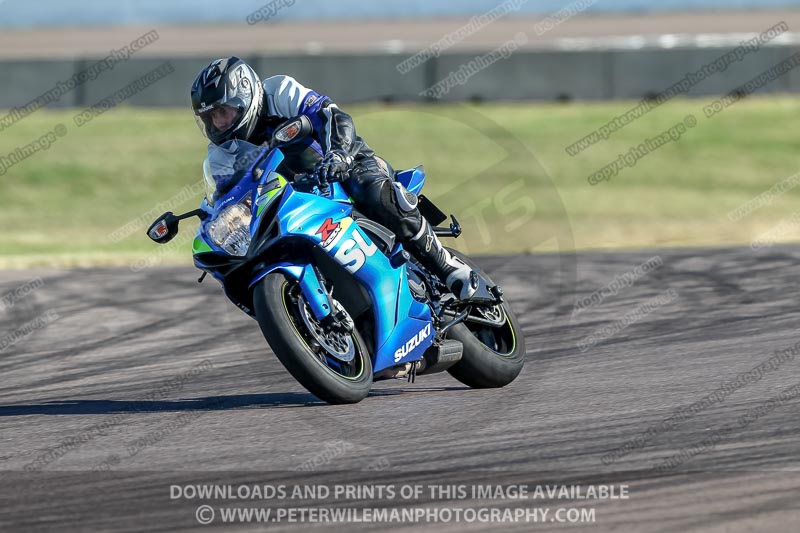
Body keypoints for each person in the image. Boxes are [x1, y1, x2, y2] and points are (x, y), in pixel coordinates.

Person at [190, 56, 478, 299]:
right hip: (291, 200)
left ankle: (447, 267)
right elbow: (228, 196)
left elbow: (332, 116)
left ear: (246, 95)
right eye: (211, 117)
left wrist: (339, 154)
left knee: (371, 189)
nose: (219, 123)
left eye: (223, 112)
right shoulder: (220, 156)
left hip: (343, 165)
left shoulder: (279, 91)